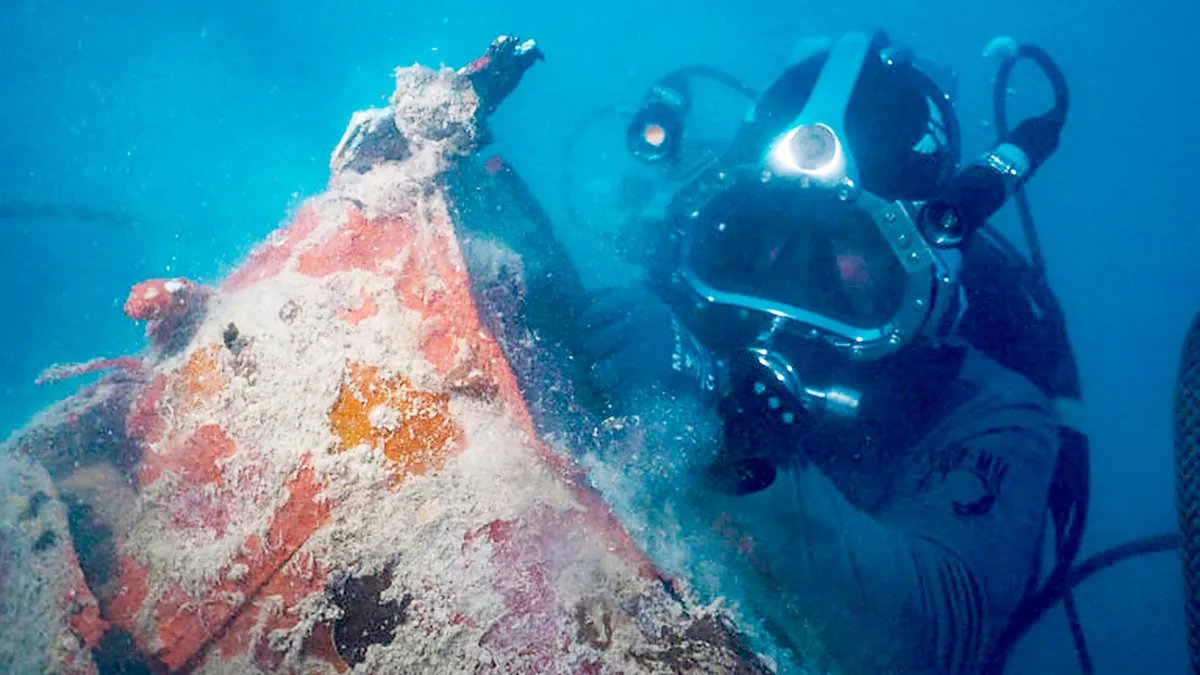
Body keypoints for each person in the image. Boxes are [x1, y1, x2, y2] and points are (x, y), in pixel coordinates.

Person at [578, 30, 1074, 674]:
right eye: (762, 229)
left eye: (846, 243)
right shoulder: (675, 314)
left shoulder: (992, 412)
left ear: (923, 268)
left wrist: (720, 433)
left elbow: (931, 640)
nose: (789, 271)